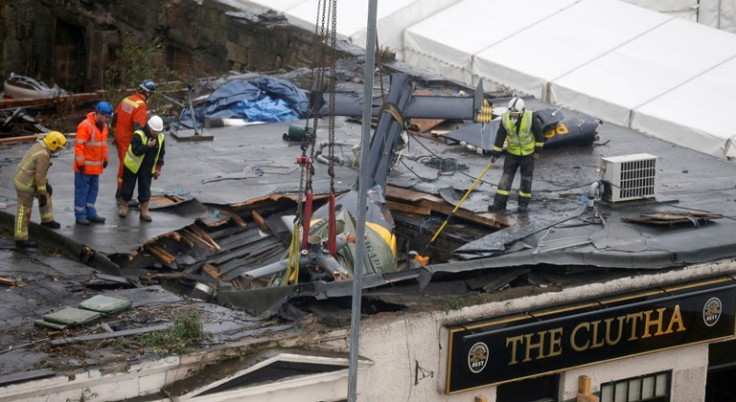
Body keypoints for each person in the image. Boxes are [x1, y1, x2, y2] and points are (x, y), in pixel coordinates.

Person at [488, 97, 544, 213]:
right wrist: (495, 153)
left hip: (528, 154)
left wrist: (537, 151)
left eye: (516, 113)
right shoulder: (505, 119)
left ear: (522, 111)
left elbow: (539, 134)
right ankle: (499, 204)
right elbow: (500, 136)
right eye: (511, 113)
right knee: (505, 179)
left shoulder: (530, 117)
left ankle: (523, 205)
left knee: (526, 180)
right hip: (512, 154)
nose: (513, 115)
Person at [13, 131, 67, 248]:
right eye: (58, 148)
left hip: (29, 181)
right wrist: (42, 193)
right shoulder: (43, 154)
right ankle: (20, 238)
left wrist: (45, 187)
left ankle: (47, 220)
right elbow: (39, 176)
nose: (58, 150)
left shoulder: (41, 146)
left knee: (46, 195)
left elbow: (43, 172)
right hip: (25, 185)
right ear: (53, 144)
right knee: (24, 210)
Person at [112, 79, 156, 200]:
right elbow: (139, 128)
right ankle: (123, 194)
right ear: (148, 93)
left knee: (123, 163)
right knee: (128, 166)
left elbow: (115, 118)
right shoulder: (141, 105)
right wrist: (145, 144)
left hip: (119, 136)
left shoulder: (127, 99)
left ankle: (120, 190)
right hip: (128, 139)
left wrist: (116, 132)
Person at [118, 115, 166, 222]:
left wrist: (158, 168)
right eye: (154, 131)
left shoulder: (161, 137)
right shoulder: (138, 135)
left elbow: (161, 153)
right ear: (149, 127)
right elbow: (136, 151)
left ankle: (144, 209)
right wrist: (147, 146)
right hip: (132, 167)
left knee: (145, 188)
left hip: (147, 168)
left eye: (158, 131)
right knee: (127, 187)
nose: (156, 133)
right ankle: (124, 205)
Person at [74, 101, 112, 225]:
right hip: (84, 168)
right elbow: (79, 145)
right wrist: (80, 162)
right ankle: (80, 214)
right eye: (105, 116)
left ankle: (90, 212)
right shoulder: (85, 126)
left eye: (108, 117)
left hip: (95, 167)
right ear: (99, 114)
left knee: (93, 190)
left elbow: (103, 145)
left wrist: (105, 159)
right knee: (82, 191)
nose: (106, 119)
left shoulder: (104, 126)